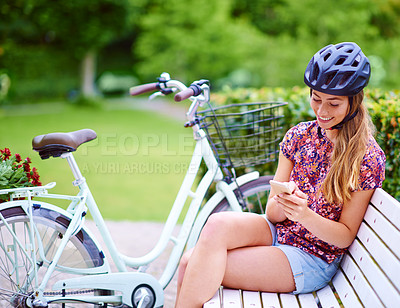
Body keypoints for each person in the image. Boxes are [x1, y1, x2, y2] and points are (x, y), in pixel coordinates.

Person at [174, 42, 386, 308]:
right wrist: (284, 204)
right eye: (316, 99)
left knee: (193, 263)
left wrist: (304, 215)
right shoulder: (299, 136)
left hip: (311, 257)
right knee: (216, 225)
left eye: (333, 103)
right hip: (279, 232)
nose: (321, 111)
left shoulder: (366, 158)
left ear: (354, 102)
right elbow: (272, 215)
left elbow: (344, 236)